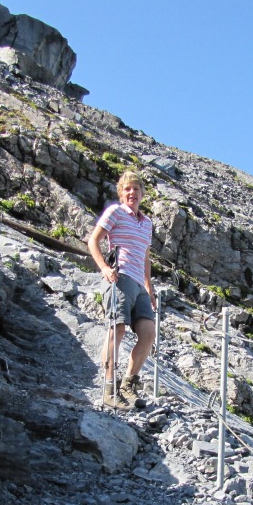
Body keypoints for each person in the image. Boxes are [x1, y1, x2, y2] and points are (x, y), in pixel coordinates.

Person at [87, 169, 155, 410]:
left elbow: (145, 257)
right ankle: (109, 389)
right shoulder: (115, 212)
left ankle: (129, 384)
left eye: (136, 189)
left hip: (139, 284)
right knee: (117, 329)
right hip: (120, 277)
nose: (132, 193)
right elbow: (93, 240)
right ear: (121, 193)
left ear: (142, 194)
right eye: (127, 189)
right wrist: (104, 268)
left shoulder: (147, 223)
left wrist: (149, 287)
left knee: (148, 333)